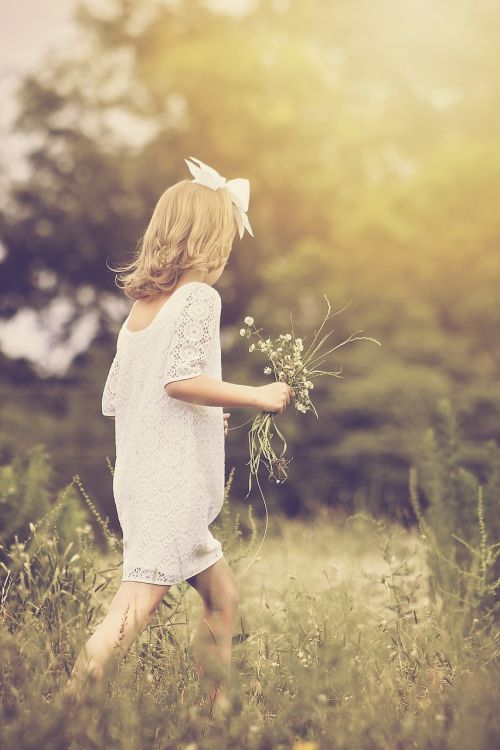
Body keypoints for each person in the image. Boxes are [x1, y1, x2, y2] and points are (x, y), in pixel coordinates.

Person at [65, 156, 294, 716]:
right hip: (172, 488)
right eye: (226, 242)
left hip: (145, 483)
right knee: (137, 602)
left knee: (222, 597)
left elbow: (116, 400)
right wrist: (256, 395)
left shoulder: (141, 310)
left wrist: (201, 414)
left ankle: (214, 715)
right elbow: (180, 381)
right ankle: (64, 710)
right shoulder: (198, 299)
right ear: (209, 242)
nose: (226, 257)